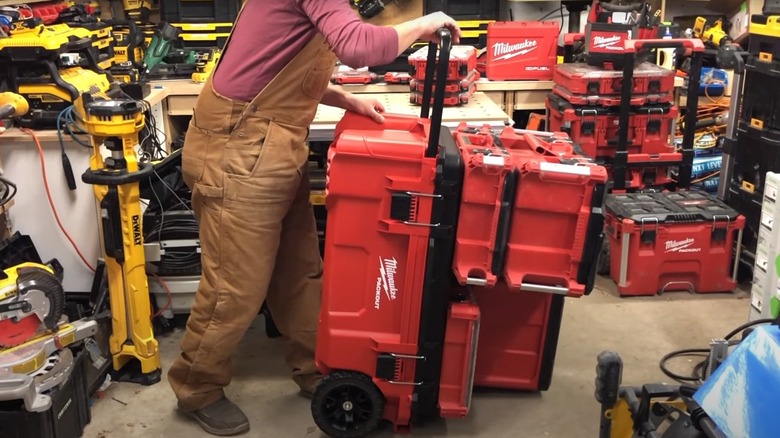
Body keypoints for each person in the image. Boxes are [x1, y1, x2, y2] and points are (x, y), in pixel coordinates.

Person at [167, 1, 461, 436]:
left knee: (300, 273)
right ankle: (197, 386)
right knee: (236, 287)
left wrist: (338, 96)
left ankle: (315, 368)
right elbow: (359, 46)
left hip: (272, 144)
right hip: (238, 148)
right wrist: (426, 24)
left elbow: (268, 63)